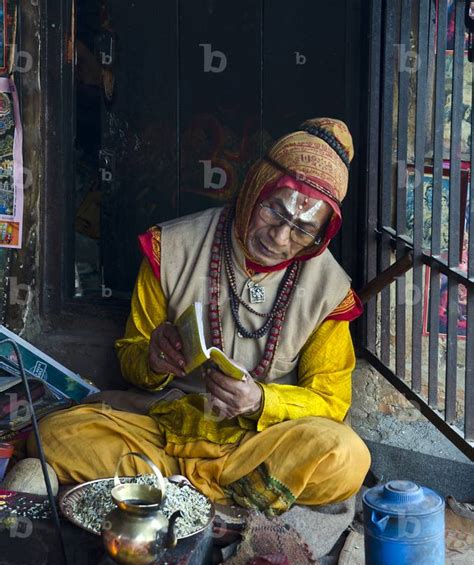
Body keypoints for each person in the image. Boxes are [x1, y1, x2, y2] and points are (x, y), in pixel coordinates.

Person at [28, 117, 370, 515]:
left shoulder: (328, 289)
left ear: (321, 234)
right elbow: (131, 358)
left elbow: (330, 402)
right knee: (52, 436)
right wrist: (152, 361)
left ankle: (171, 486)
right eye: (274, 212)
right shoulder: (172, 247)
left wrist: (261, 399)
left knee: (347, 457)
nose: (279, 238)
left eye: (302, 230)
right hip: (166, 426)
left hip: (259, 442)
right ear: (254, 188)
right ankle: (227, 492)